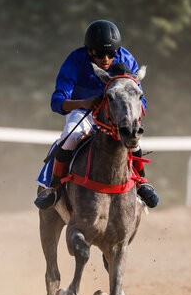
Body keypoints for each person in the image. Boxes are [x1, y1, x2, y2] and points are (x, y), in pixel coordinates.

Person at [34, 20, 159, 209]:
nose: (106, 59)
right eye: (100, 54)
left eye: (111, 54)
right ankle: (55, 189)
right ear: (89, 51)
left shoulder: (126, 58)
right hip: (83, 111)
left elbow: (141, 100)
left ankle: (141, 183)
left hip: (115, 114)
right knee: (71, 136)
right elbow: (57, 101)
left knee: (133, 140)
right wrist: (83, 102)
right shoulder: (76, 60)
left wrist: (130, 113)